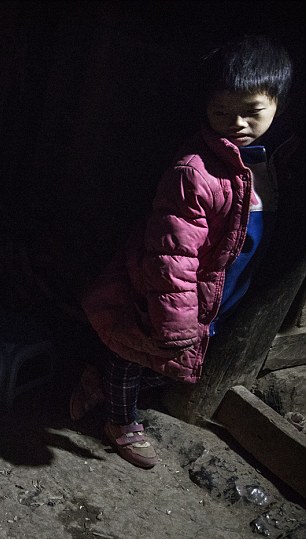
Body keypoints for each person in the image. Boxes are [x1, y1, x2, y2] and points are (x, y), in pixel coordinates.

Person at [72, 36, 297, 469]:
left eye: (252, 112)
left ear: (278, 106)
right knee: (134, 354)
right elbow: (171, 256)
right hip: (166, 293)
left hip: (216, 294)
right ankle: (119, 421)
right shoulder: (195, 172)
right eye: (220, 112)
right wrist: (175, 323)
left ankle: (97, 381)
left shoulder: (274, 159)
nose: (236, 123)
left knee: (158, 360)